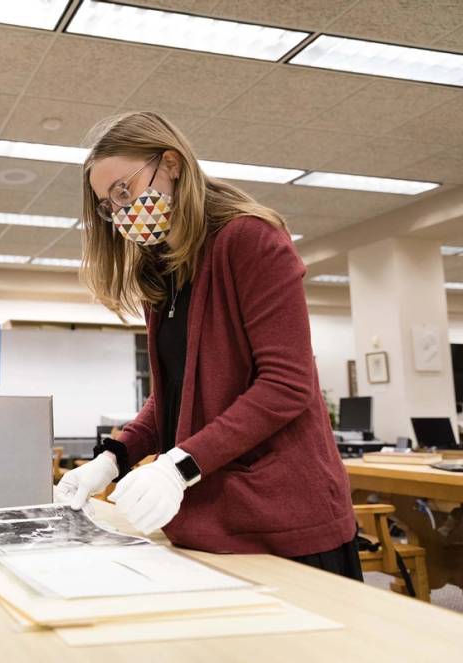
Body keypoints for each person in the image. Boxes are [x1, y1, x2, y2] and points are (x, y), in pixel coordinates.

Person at [54, 111, 361, 580]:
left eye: (124, 191)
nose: (119, 212)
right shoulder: (165, 272)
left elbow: (286, 385)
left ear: (171, 164)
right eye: (108, 205)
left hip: (285, 524)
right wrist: (110, 459)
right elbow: (175, 396)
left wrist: (179, 466)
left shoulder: (251, 239)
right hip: (207, 526)